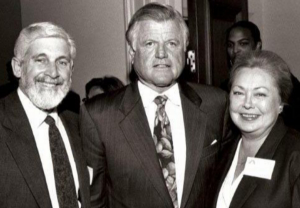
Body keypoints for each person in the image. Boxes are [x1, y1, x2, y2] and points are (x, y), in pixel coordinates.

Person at [80, 3, 230, 208]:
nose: (162, 53)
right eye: (150, 43)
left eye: (172, 43)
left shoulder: (216, 104)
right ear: (132, 53)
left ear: (185, 50)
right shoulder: (99, 115)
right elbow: (94, 201)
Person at [0, 22, 90, 208]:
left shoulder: (80, 124)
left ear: (71, 71)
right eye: (41, 60)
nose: (53, 72)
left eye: (62, 62)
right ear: (18, 68)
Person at [207, 50, 300, 208]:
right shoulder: (222, 150)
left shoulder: (295, 154)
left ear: (281, 104)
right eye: (238, 93)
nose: (248, 104)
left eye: (260, 95)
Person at [221, 20, 300, 131]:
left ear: (258, 46)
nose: (235, 50)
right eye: (230, 45)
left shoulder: (280, 79)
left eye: (243, 43)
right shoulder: (224, 87)